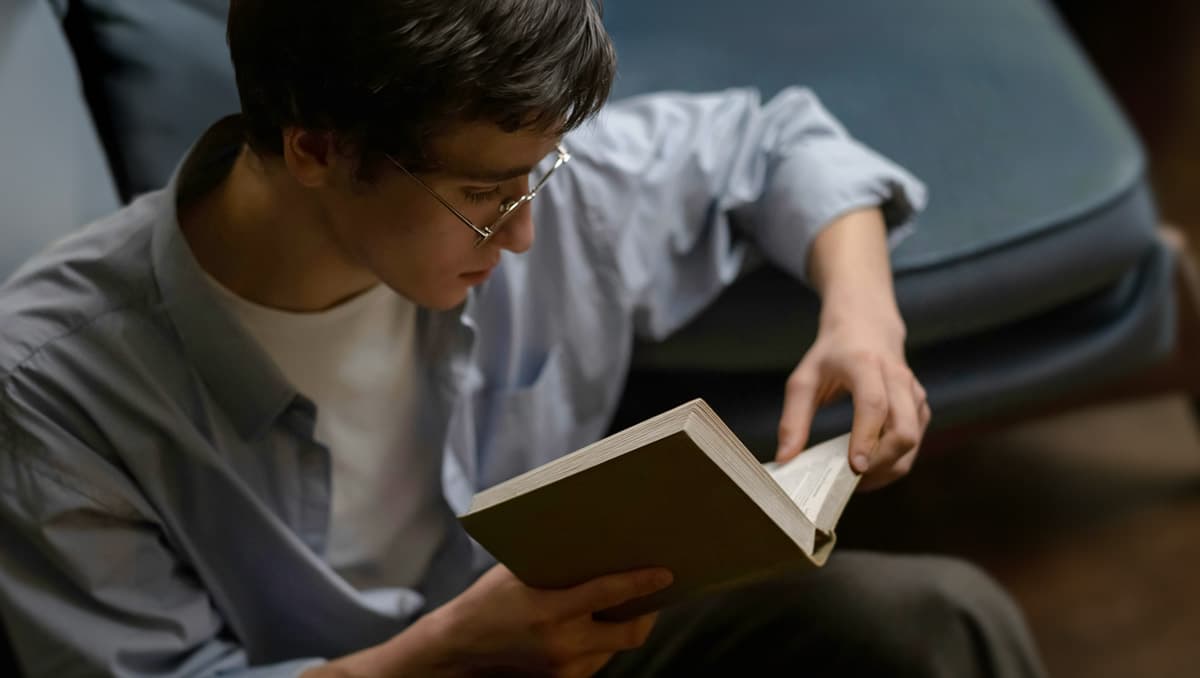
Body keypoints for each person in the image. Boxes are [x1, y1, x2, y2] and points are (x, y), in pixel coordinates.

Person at [0, 1, 1047, 676]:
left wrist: (863, 320)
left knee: (935, 623)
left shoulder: (523, 179)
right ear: (318, 148)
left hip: (576, 649)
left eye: (538, 175)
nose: (531, 231)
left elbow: (776, 141)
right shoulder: (50, 385)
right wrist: (445, 656)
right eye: (485, 196)